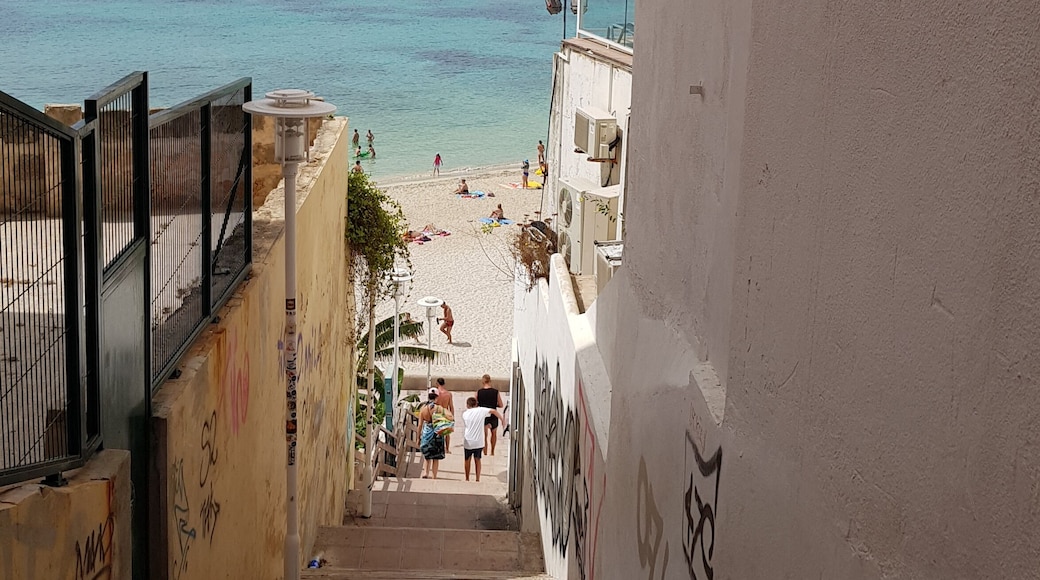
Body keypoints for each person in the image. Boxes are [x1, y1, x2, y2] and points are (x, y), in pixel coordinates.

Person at [462, 397, 503, 482]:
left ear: (467, 405)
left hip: (468, 440)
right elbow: (493, 411)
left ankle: (467, 478)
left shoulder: (465, 414)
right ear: (476, 404)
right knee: (477, 460)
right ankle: (477, 478)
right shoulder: (481, 410)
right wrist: (502, 420)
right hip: (478, 441)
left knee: (467, 460)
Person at [418, 388, 451, 479]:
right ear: (437, 397)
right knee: (436, 457)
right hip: (437, 433)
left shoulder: (423, 409)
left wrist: (418, 438)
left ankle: (425, 472)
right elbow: (446, 421)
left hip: (427, 433)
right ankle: (434, 476)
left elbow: (420, 425)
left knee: (427, 455)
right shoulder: (439, 409)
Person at [476, 374, 504, 455]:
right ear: (490, 381)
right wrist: (494, 404)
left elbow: (476, 404)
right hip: (493, 414)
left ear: (482, 382)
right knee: (494, 434)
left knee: (484, 436)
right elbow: (501, 405)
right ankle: (492, 452)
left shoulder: (479, 392)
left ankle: (485, 453)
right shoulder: (496, 392)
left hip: (483, 415)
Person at [435, 378, 455, 452]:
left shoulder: (436, 393)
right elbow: (451, 406)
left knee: (437, 432)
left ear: (437, 383)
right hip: (446, 413)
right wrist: (452, 416)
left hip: (437, 413)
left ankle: (438, 448)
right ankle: (447, 449)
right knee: (447, 433)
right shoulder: (448, 394)